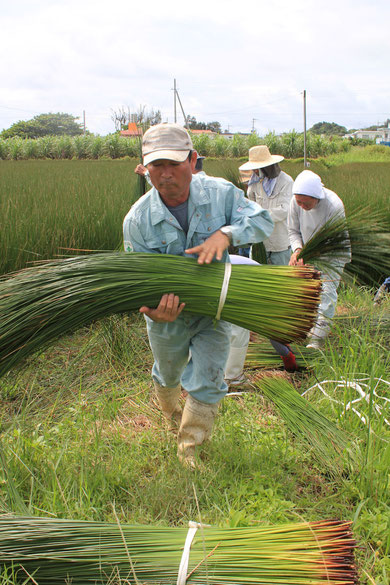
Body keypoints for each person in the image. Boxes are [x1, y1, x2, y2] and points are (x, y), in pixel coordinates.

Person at [123, 123, 273, 466]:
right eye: (155, 165)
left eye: (173, 164)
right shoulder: (138, 220)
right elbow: (137, 281)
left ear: (192, 161)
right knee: (169, 373)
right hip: (167, 318)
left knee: (209, 378)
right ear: (145, 168)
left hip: (212, 311)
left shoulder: (221, 195)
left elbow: (263, 221)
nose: (164, 175)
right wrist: (152, 311)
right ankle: (172, 415)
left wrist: (227, 234)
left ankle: (189, 447)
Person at [288, 170, 350, 349]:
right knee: (304, 291)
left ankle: (317, 339)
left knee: (326, 294)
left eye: (305, 203)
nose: (301, 206)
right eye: (298, 202)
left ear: (316, 197)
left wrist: (310, 253)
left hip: (332, 254)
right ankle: (305, 328)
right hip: (307, 252)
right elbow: (293, 231)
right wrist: (298, 249)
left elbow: (335, 239)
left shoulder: (333, 205)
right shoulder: (295, 202)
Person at [239, 145, 293, 265]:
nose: (255, 171)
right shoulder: (255, 181)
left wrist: (260, 216)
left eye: (258, 168)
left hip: (279, 243)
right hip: (259, 243)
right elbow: (250, 202)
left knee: (280, 279)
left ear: (267, 167)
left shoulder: (286, 181)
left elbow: (284, 210)